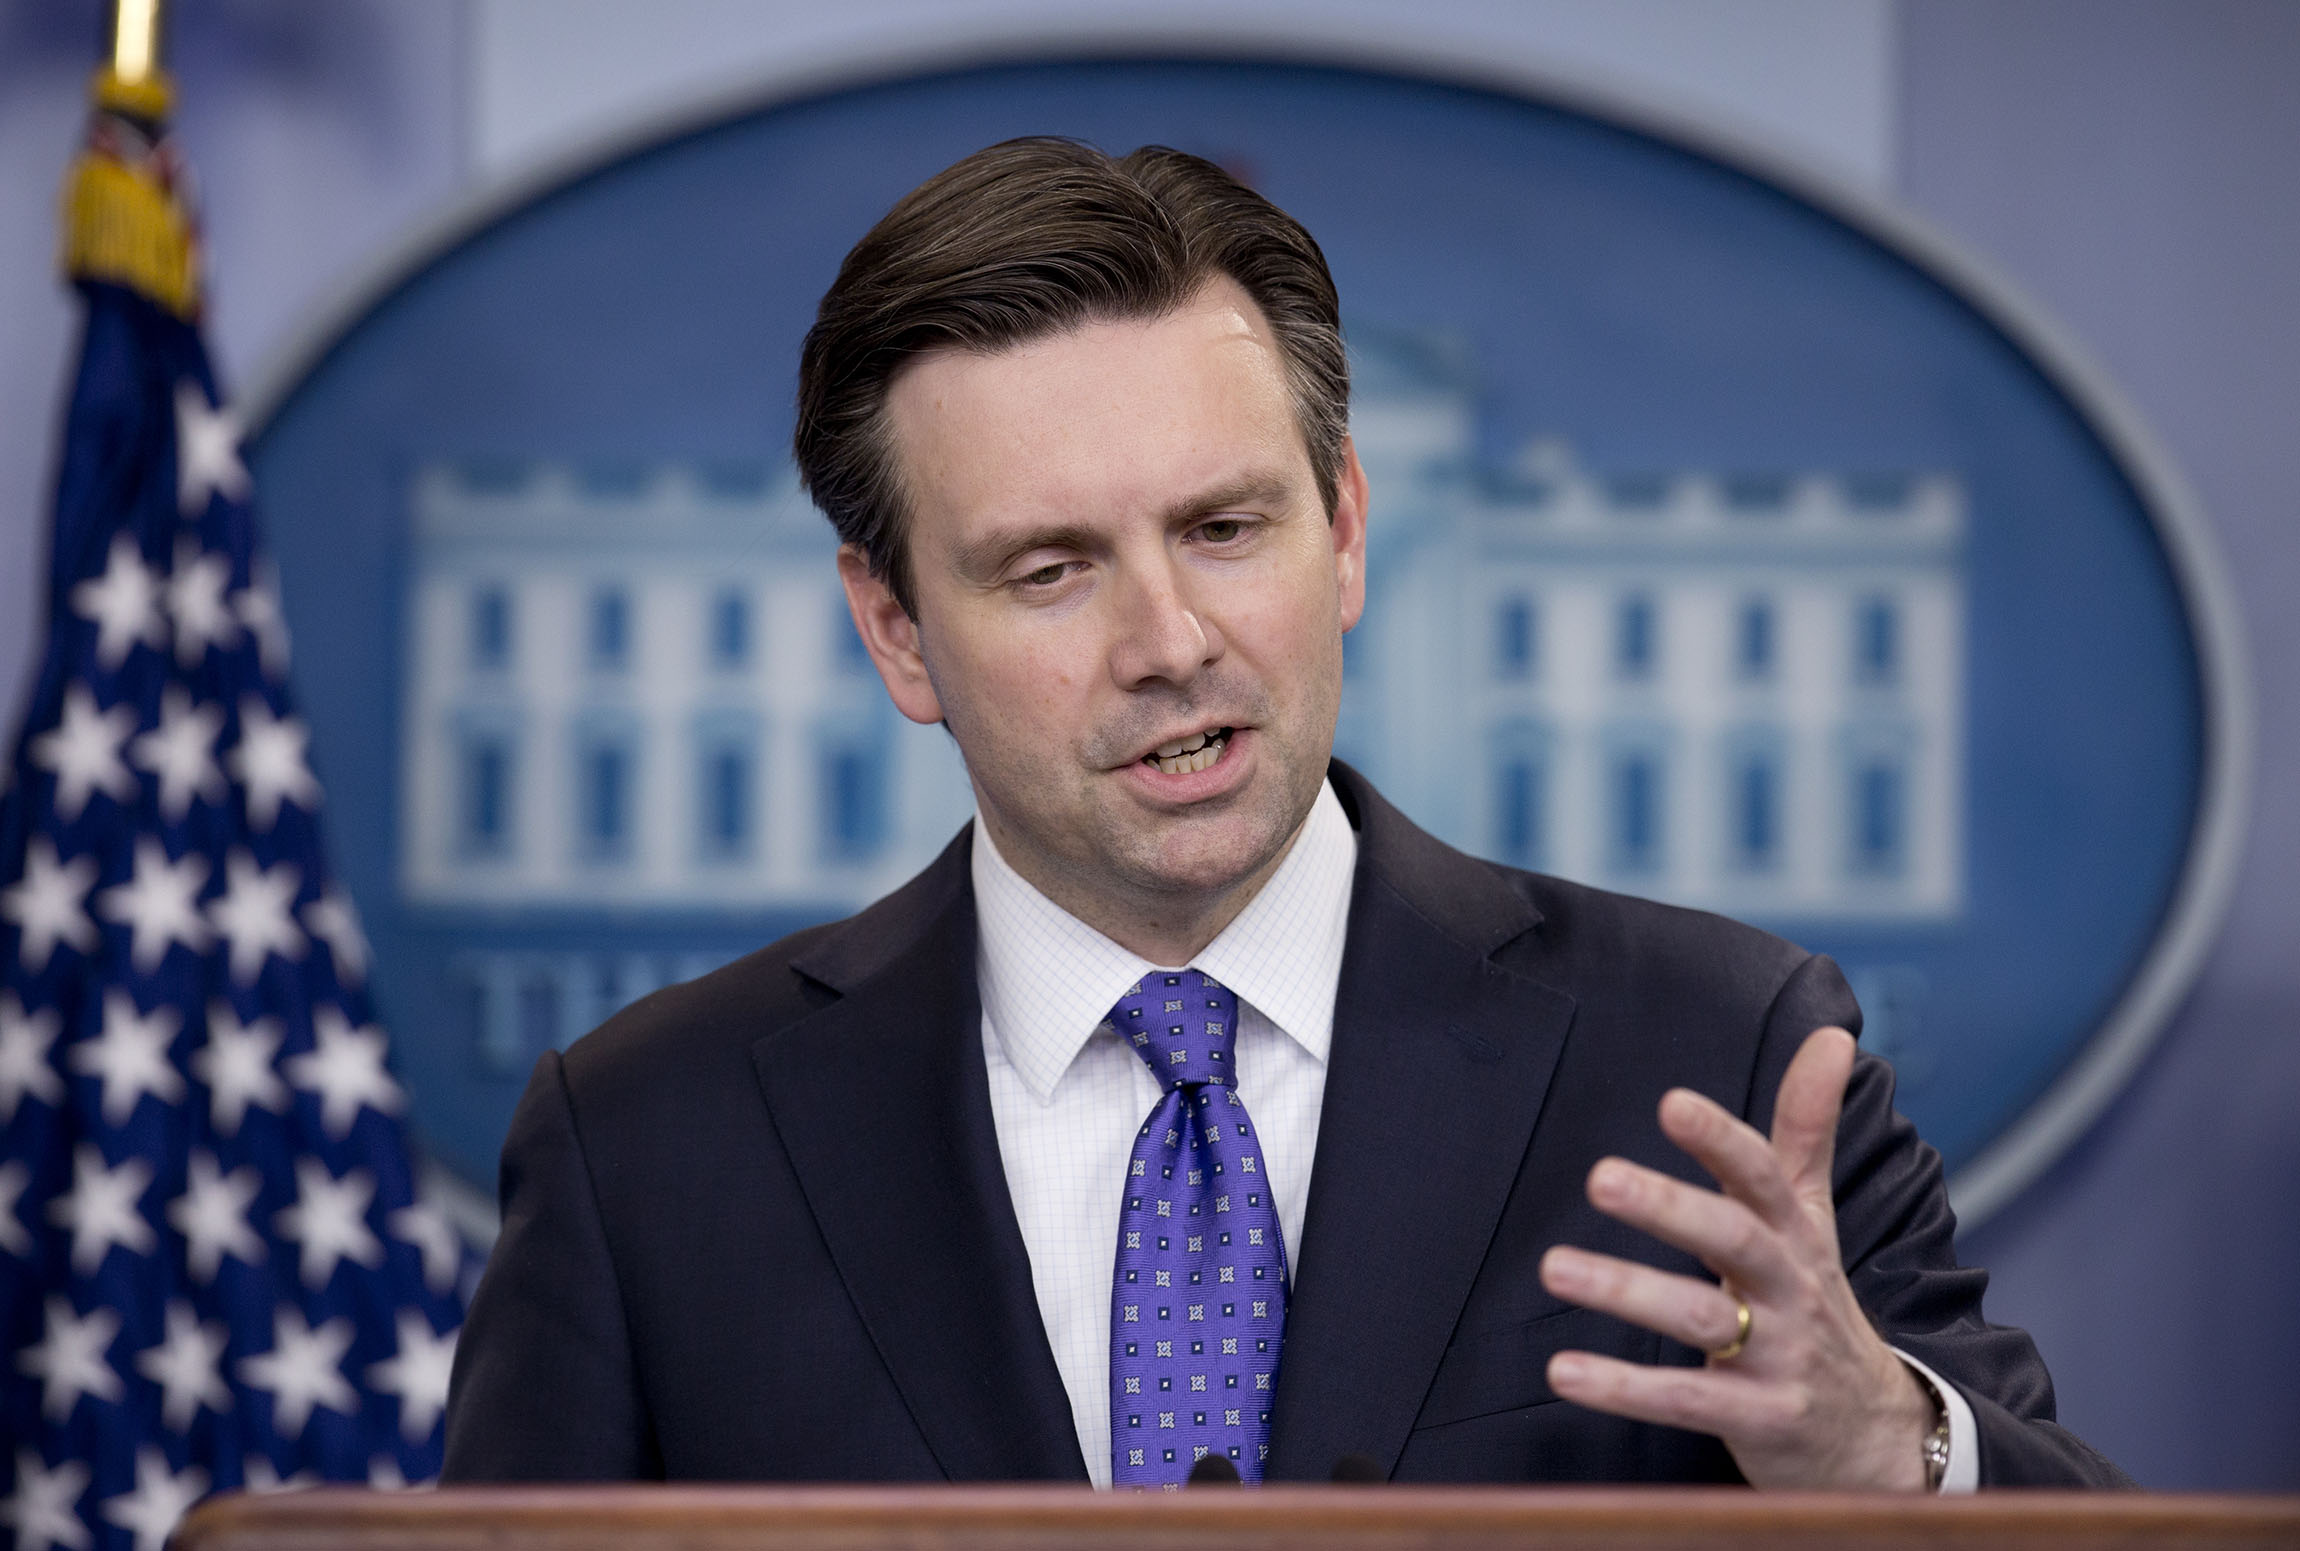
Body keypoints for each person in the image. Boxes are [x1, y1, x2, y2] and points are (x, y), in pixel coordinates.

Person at [441, 138, 2126, 1490]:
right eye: (1051, 569)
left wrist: (1888, 1456)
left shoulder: (1714, 1059)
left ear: (1347, 532)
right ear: (895, 630)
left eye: (1226, 529)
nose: (1170, 641)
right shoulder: (648, 1148)